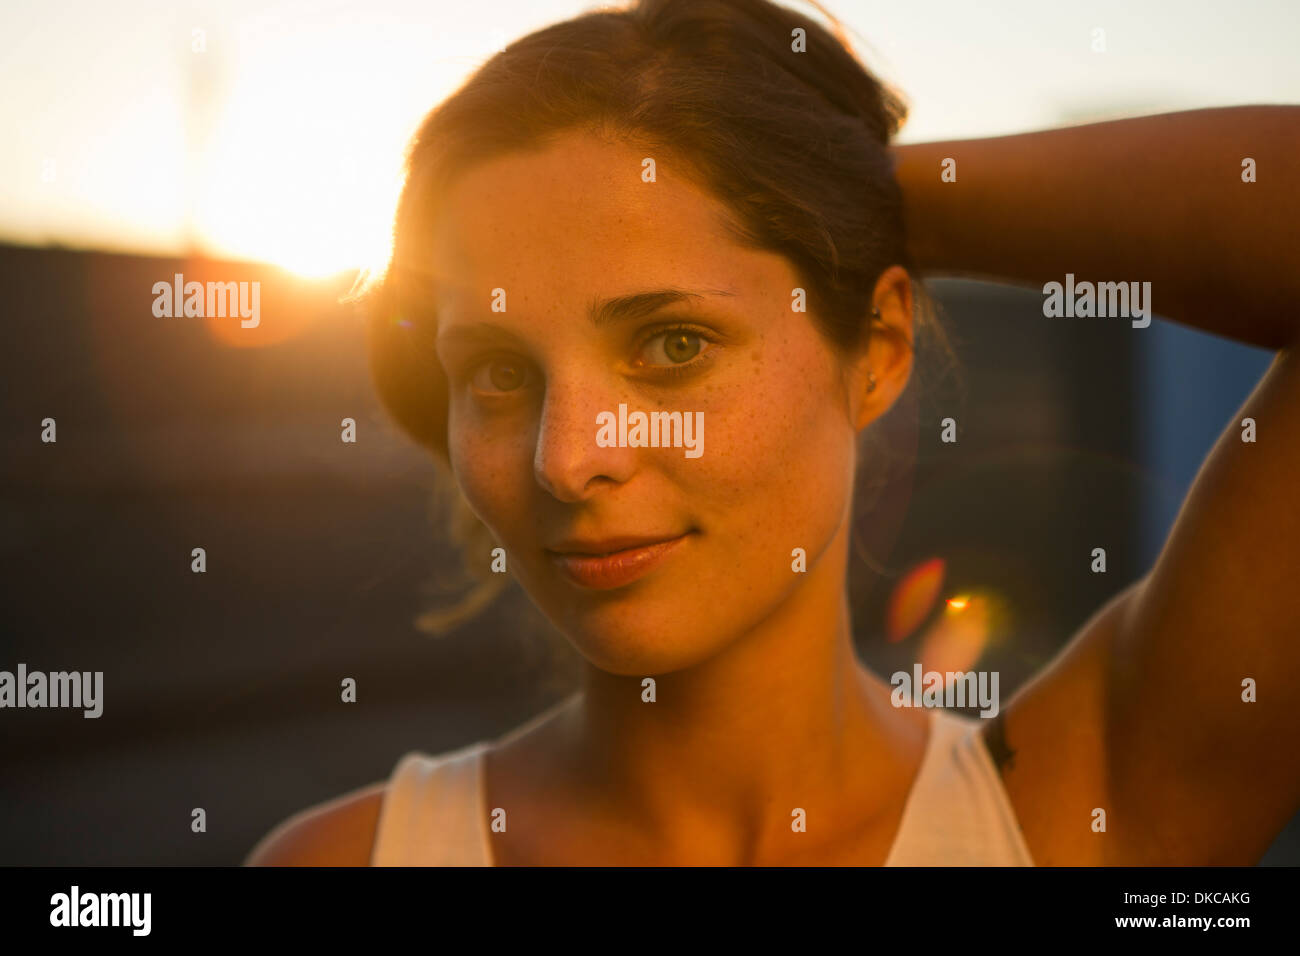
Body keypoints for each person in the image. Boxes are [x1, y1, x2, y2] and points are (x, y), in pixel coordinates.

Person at [246, 0, 1299, 866]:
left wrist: (847, 192)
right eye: (501, 371)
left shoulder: (1078, 817)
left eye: (671, 343)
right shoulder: (343, 858)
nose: (566, 459)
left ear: (878, 345)